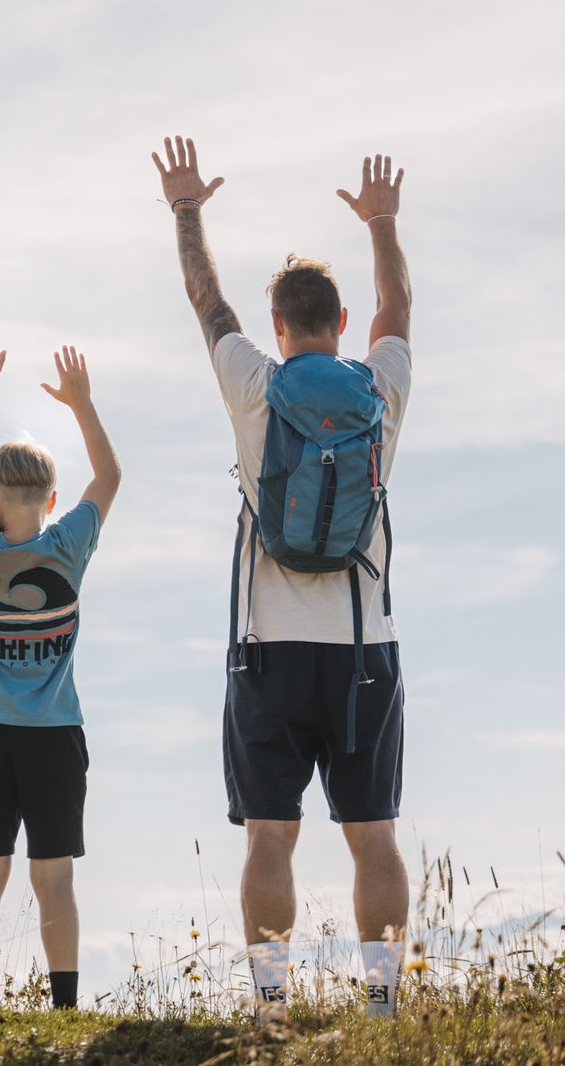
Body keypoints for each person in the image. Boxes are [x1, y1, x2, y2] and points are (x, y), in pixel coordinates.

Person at [152, 135, 413, 1020]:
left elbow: (205, 297)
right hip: (363, 644)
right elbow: (400, 305)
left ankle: (270, 1008)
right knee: (372, 835)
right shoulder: (380, 388)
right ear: (340, 325)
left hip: (267, 649)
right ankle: (381, 1008)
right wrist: (382, 223)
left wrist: (187, 208)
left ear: (281, 329)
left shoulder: (253, 384)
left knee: (271, 833)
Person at [0, 335, 122, 1011]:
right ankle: (65, 1003)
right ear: (51, 499)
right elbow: (109, 479)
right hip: (53, 734)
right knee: (55, 875)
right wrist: (83, 405)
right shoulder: (66, 547)